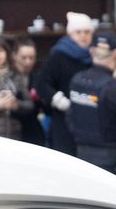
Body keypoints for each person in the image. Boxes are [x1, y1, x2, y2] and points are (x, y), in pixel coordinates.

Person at [68, 31, 116, 175]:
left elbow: (70, 116)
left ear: (91, 52)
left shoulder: (76, 80)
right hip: (111, 157)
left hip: (81, 153)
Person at [38, 12, 94, 155]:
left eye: (87, 32)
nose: (83, 36)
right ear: (70, 34)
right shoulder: (58, 55)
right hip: (64, 120)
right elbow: (41, 82)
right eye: (78, 32)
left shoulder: (95, 55)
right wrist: (59, 101)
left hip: (90, 119)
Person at [11, 39, 46, 146]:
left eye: (32, 58)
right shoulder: (7, 78)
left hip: (33, 132)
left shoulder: (38, 78)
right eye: (24, 57)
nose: (28, 62)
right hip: (11, 131)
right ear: (14, 56)